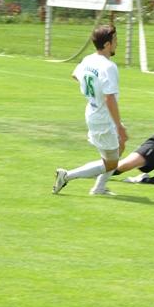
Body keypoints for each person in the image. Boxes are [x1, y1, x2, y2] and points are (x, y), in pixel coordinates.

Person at [52, 25, 128, 196]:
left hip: (94, 113)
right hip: (103, 119)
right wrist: (119, 126)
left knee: (120, 145)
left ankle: (99, 187)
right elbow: (109, 98)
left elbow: (75, 75)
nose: (117, 43)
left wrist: (90, 88)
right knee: (111, 163)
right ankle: (67, 176)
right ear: (107, 44)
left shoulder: (88, 59)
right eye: (115, 40)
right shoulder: (108, 67)